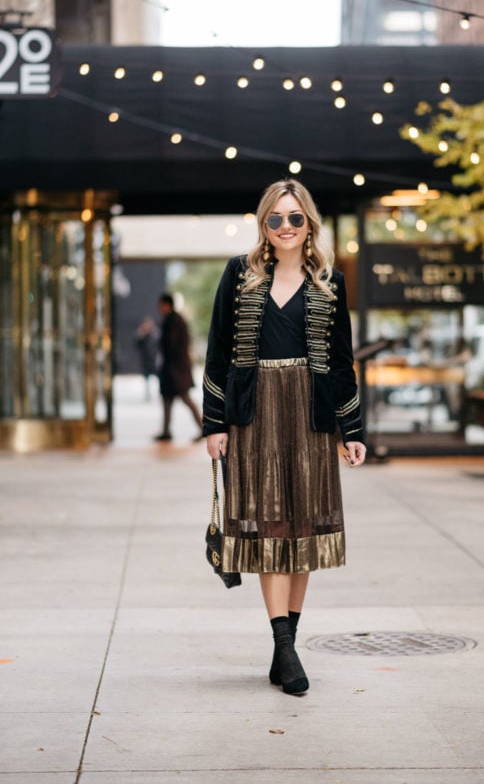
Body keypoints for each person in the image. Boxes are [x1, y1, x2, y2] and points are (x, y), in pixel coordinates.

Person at [203, 179, 366, 695]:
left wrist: (352, 429)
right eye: (276, 219)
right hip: (255, 415)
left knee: (303, 530)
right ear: (263, 225)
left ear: (309, 223)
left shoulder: (329, 282)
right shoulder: (239, 274)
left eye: (296, 218)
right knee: (272, 527)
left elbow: (342, 361)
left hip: (312, 417)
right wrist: (215, 424)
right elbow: (218, 349)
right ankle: (286, 648)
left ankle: (285, 645)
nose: (287, 227)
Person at [154, 293, 203, 442]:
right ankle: (166, 430)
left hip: (175, 370)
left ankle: (203, 428)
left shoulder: (173, 321)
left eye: (160, 305)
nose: (158, 308)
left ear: (166, 305)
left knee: (185, 398)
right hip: (175, 369)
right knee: (169, 400)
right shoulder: (176, 320)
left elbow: (171, 345)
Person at [134, 316, 158, 400]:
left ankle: (158, 393)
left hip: (154, 360)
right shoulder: (142, 335)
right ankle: (148, 395)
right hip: (145, 360)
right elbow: (137, 345)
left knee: (158, 377)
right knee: (146, 379)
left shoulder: (155, 334)